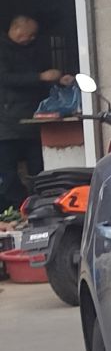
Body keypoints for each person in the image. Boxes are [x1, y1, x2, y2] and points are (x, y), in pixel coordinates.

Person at [0, 14, 71, 211]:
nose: (32, 38)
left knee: (38, 170)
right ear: (17, 30)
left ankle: (39, 205)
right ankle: (18, 206)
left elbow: (42, 75)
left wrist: (57, 79)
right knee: (8, 173)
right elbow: (6, 78)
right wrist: (40, 77)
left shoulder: (34, 49)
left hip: (33, 120)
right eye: (29, 35)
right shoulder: (3, 50)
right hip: (7, 124)